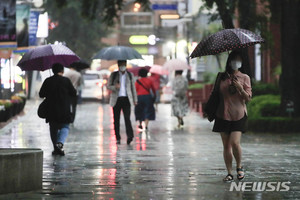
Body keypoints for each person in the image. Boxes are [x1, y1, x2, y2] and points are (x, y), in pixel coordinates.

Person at [212, 50, 252, 182]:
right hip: (222, 114)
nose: (236, 62)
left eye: (239, 60)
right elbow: (215, 94)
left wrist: (240, 88)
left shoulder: (245, 77)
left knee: (235, 143)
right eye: (234, 60)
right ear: (229, 62)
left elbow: (248, 98)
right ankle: (229, 172)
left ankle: (239, 167)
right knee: (226, 145)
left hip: (238, 114)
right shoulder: (221, 77)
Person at [39, 63, 77, 156]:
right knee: (65, 126)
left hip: (51, 109)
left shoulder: (48, 80)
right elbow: (73, 93)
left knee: (53, 128)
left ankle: (56, 148)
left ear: (52, 71)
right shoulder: (66, 80)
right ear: (62, 71)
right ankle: (59, 143)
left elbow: (41, 94)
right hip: (64, 109)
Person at [107, 60, 138, 145]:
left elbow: (133, 88)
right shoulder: (114, 75)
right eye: (121, 65)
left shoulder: (130, 75)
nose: (122, 66)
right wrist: (115, 87)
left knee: (127, 118)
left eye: (124, 65)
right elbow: (108, 86)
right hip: (116, 100)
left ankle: (130, 136)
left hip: (126, 99)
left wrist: (135, 100)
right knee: (116, 120)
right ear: (118, 65)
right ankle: (117, 137)